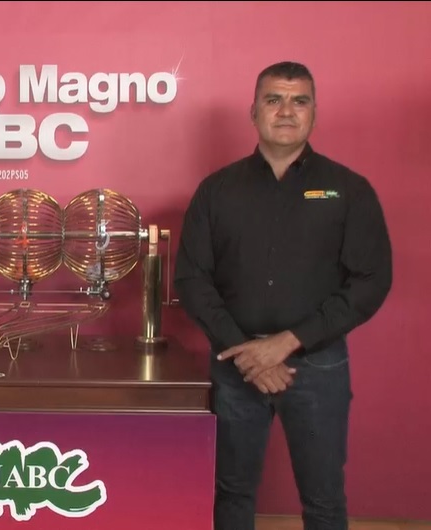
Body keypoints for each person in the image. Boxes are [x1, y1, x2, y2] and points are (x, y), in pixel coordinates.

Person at [174, 61, 393, 530]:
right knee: (231, 492)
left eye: (299, 101)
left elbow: (371, 280)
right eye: (273, 100)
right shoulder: (216, 191)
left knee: (324, 498)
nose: (287, 111)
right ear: (253, 112)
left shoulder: (349, 190)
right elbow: (192, 279)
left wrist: (288, 341)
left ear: (314, 113)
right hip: (236, 365)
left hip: (318, 365)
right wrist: (246, 352)